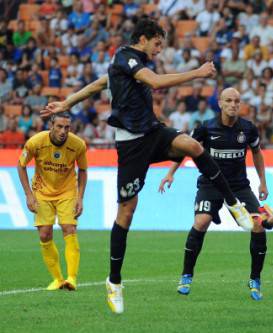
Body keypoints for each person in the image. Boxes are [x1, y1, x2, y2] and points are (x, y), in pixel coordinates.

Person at [41, 18, 254, 314]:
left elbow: (100, 84)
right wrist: (198, 72)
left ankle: (234, 204)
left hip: (152, 133)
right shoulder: (127, 56)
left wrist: (69, 102)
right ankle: (114, 282)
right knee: (126, 212)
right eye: (157, 44)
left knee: (194, 147)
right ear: (143, 38)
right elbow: (155, 81)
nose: (159, 50)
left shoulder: (127, 63)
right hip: (130, 145)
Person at [159, 87, 269, 300]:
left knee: (259, 224)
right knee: (200, 222)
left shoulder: (248, 129)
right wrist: (170, 173)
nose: (233, 105)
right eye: (228, 100)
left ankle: (255, 279)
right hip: (211, 185)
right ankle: (186, 275)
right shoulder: (206, 128)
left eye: (237, 101)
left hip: (239, 187)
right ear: (220, 103)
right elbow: (185, 148)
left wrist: (262, 182)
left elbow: (257, 152)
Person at [17, 112, 87, 292]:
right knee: (44, 235)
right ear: (51, 126)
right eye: (59, 127)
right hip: (42, 191)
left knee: (69, 228)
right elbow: (21, 165)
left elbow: (83, 171)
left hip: (67, 191)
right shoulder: (35, 142)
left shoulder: (78, 145)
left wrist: (80, 197)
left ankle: (71, 278)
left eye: (67, 127)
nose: (63, 131)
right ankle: (57, 279)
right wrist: (28, 195)